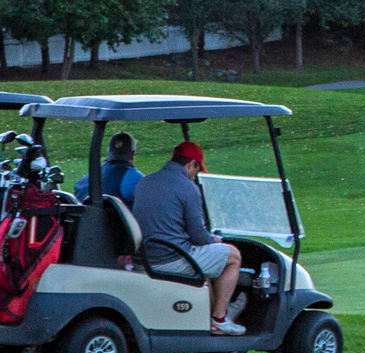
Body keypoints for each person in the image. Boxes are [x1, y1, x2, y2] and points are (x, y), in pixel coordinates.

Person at [131, 140, 243, 334]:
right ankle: (220, 319)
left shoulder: (145, 181)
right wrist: (214, 241)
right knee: (232, 256)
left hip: (145, 256)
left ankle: (213, 315)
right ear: (190, 164)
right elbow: (199, 236)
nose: (194, 176)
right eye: (196, 171)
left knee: (205, 268)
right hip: (169, 259)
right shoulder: (188, 188)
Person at [73, 132, 144, 204]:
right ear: (132, 153)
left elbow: (78, 191)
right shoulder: (134, 177)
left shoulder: (91, 176)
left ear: (109, 152)